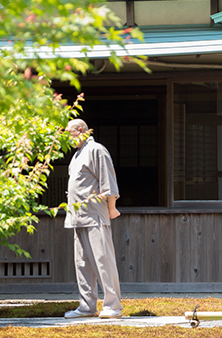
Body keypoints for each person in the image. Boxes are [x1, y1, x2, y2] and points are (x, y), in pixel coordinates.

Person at [63, 119, 123, 319]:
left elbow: (108, 181)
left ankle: (113, 306)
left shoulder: (96, 149)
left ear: (80, 130)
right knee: (82, 263)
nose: (67, 139)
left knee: (103, 260)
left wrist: (111, 208)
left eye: (69, 134)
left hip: (95, 214)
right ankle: (86, 307)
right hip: (77, 217)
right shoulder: (77, 155)